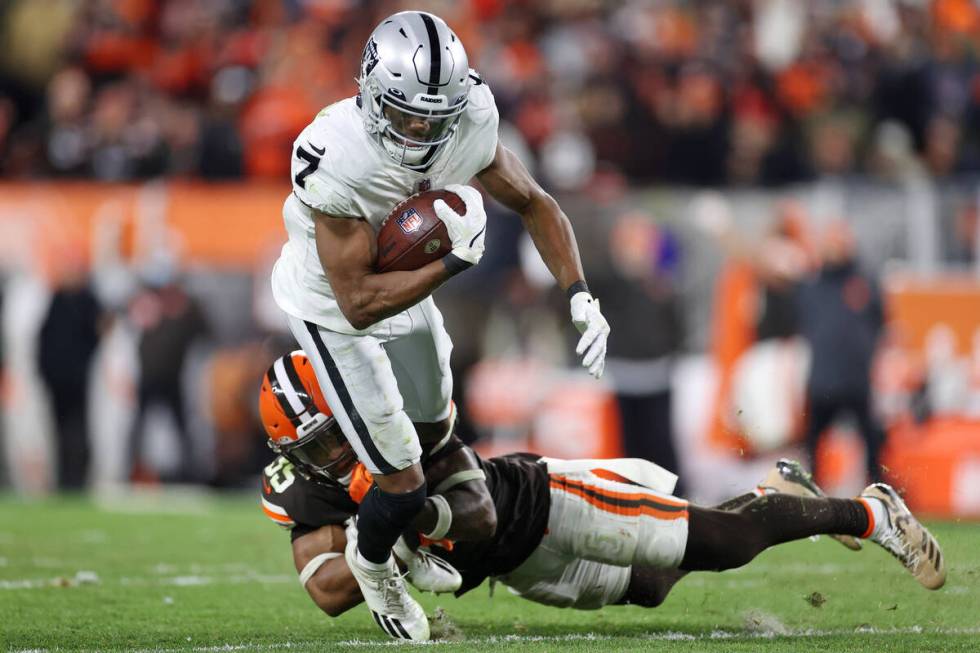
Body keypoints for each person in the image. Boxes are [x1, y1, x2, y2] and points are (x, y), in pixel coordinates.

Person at [269, 11, 610, 639]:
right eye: (406, 114)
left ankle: (409, 538)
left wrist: (580, 293)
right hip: (330, 307)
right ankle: (375, 573)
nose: (422, 128)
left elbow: (536, 202)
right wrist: (453, 260)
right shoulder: (333, 154)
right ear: (370, 94)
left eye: (435, 115)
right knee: (399, 478)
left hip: (396, 293)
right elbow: (356, 304)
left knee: (433, 433)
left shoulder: (472, 118)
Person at [257, 358, 945, 637]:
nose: (331, 454)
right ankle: (771, 495)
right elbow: (323, 586)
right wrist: (376, 543)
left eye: (332, 435)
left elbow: (475, 515)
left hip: (537, 503)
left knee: (723, 545)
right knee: (651, 587)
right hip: (514, 567)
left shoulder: (405, 421)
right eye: (312, 447)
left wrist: (399, 526)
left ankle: (873, 511)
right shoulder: (308, 482)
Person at [797, 220, 886, 484]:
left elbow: (880, 321)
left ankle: (878, 493)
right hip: (823, 378)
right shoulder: (812, 283)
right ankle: (812, 495)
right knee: (812, 444)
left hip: (856, 378)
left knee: (872, 441)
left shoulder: (864, 281)